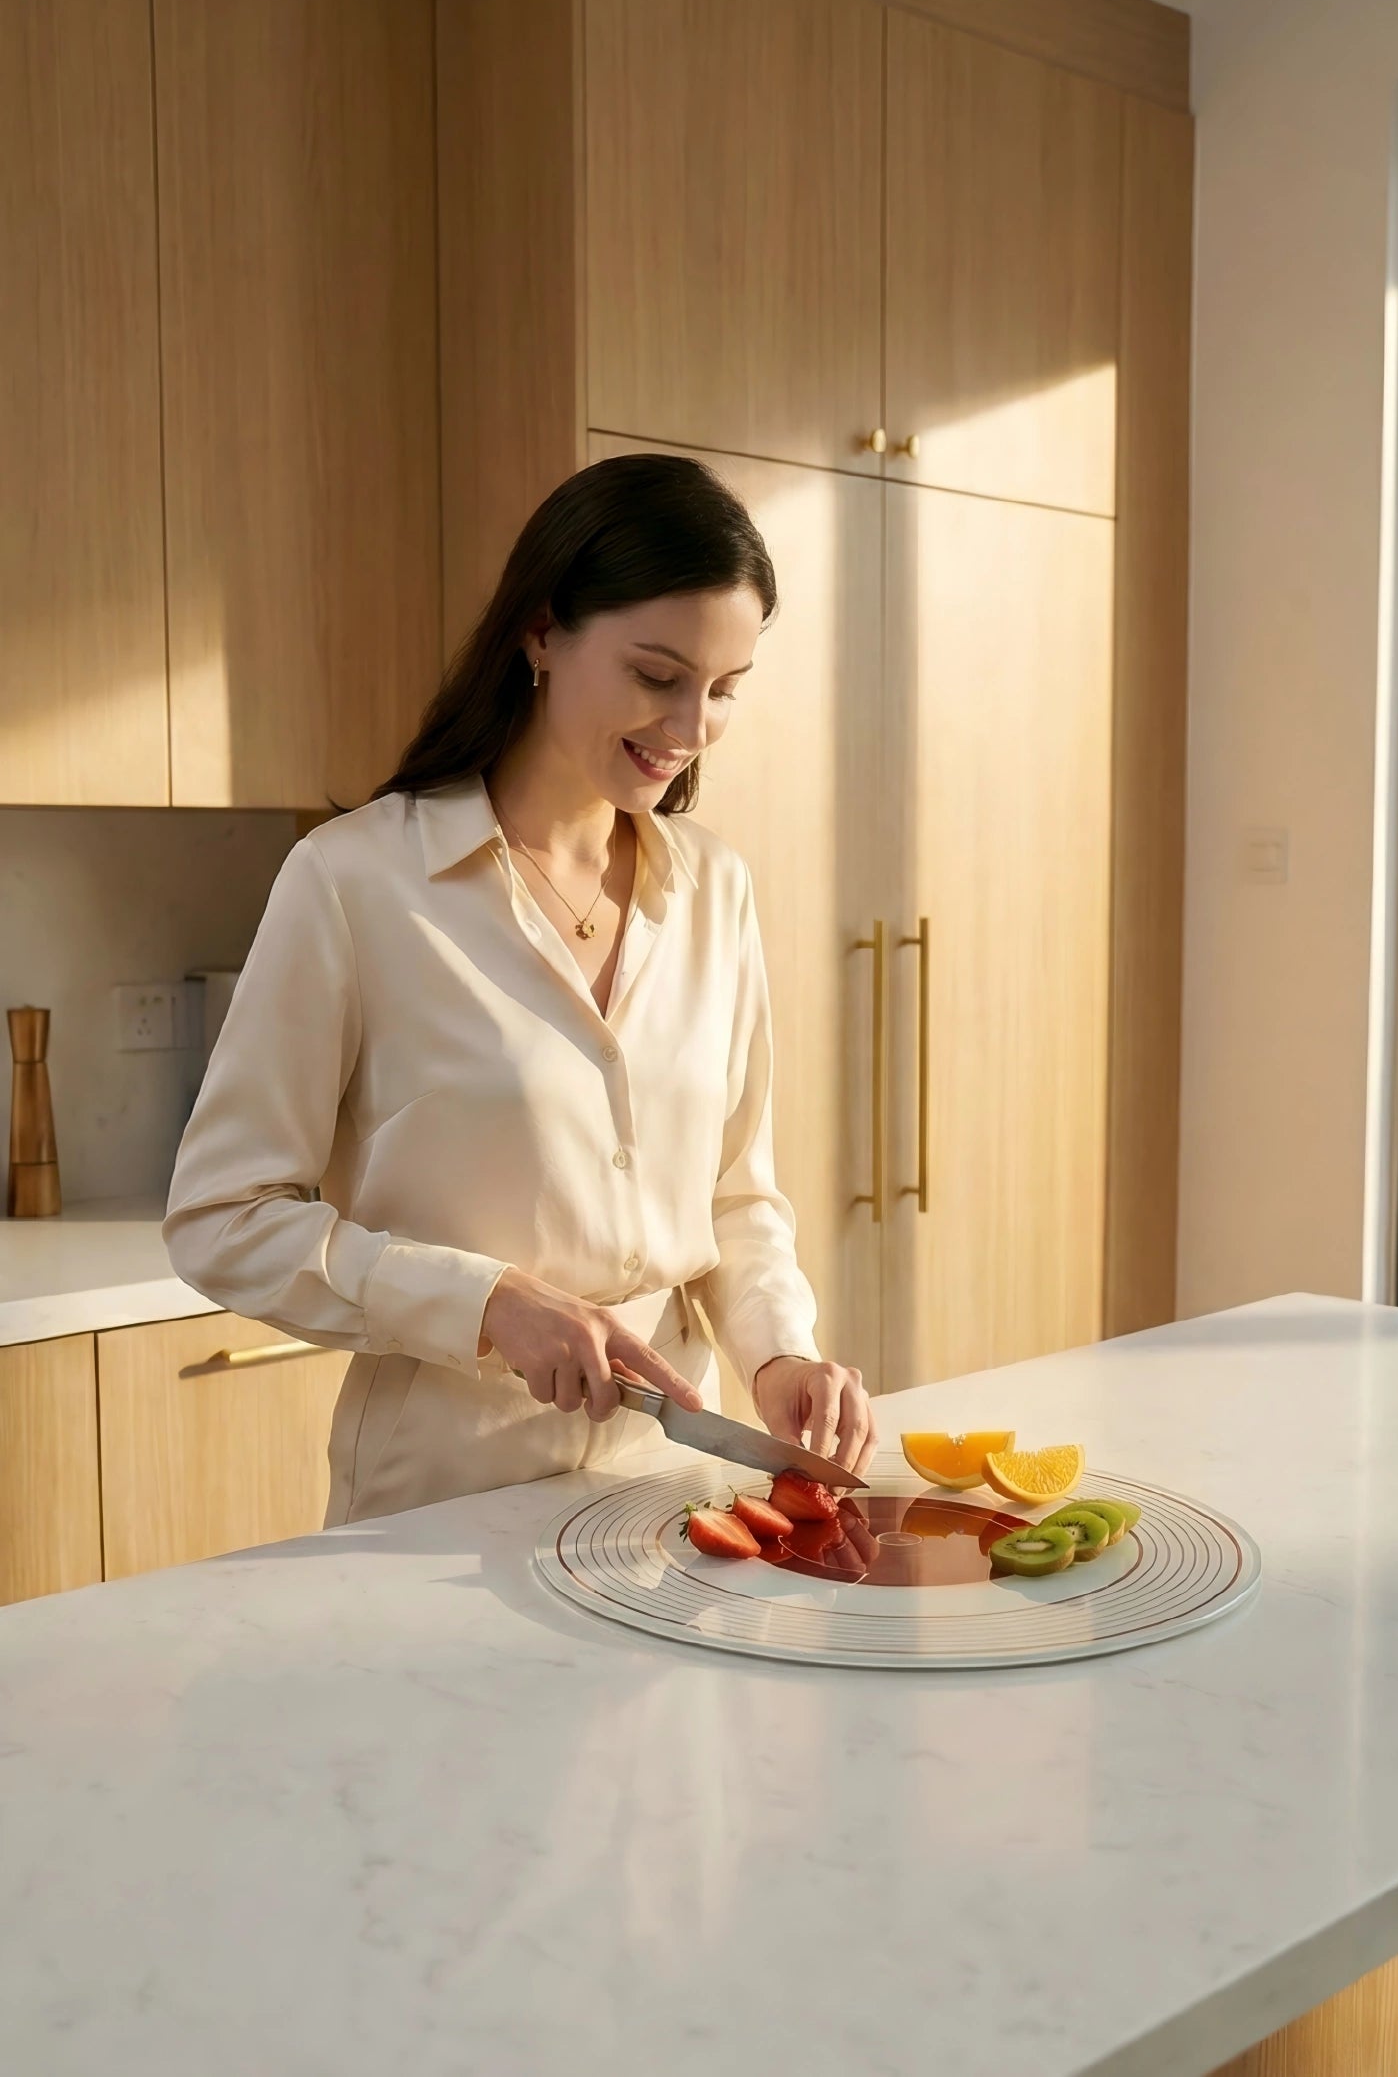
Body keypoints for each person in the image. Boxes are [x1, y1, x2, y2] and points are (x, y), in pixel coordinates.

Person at [164, 453, 878, 1525]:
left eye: (724, 689)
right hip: (446, 1500)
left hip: (676, 1491)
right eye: (656, 674)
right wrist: (486, 1303)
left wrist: (780, 1352)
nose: (689, 728)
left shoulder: (713, 888)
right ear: (541, 631)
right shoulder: (356, 882)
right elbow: (221, 1219)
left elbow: (733, 1195)